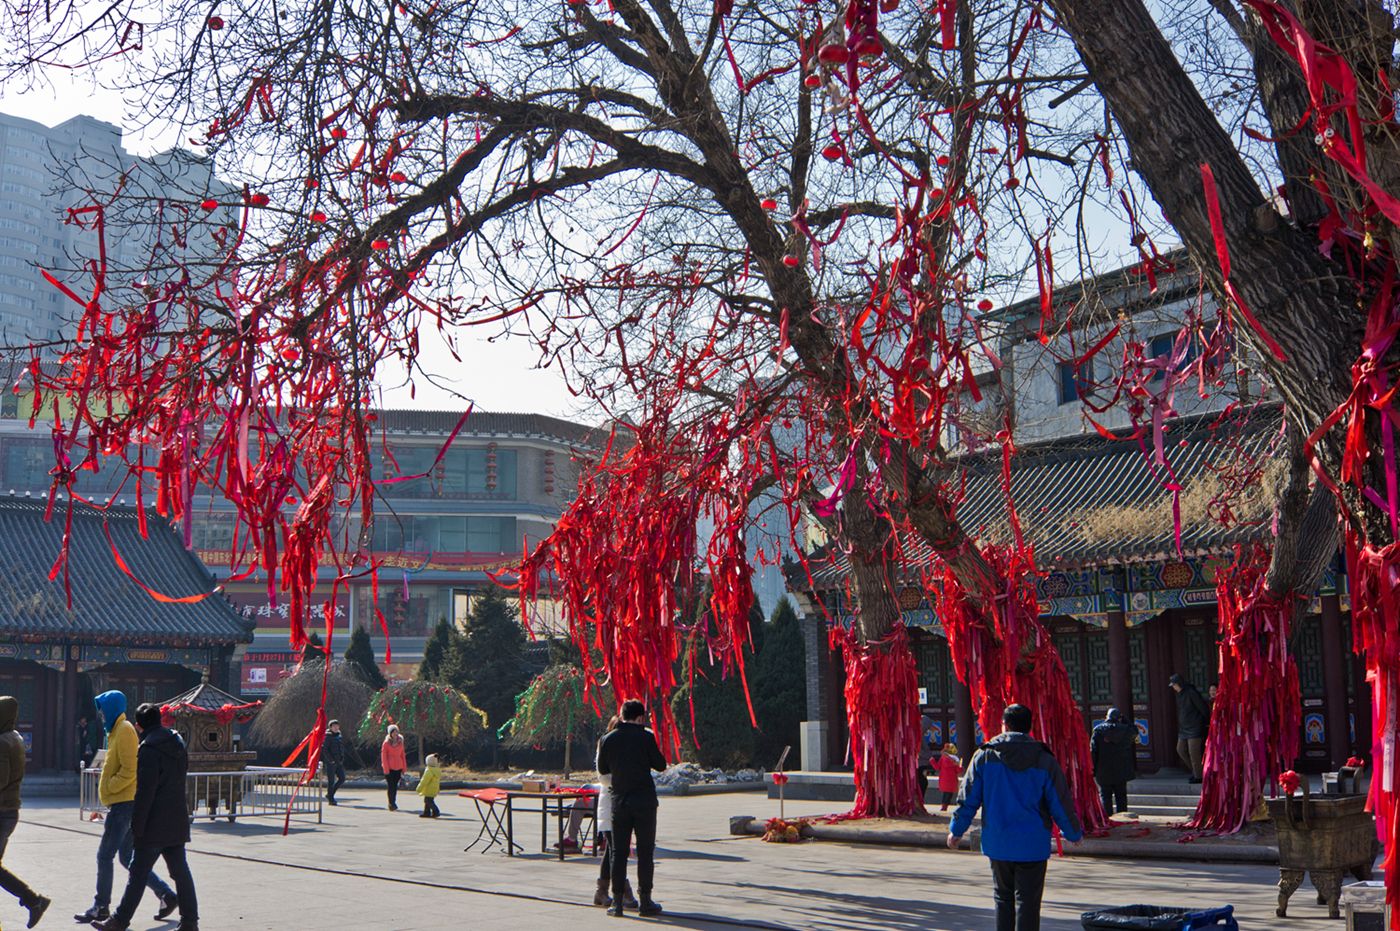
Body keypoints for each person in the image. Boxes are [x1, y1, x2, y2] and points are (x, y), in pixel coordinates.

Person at [947, 704, 1083, 931]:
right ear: (1029, 728)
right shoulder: (1044, 759)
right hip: (1033, 844)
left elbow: (968, 798)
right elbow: (1060, 801)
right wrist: (1073, 833)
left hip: (998, 841)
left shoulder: (985, 756)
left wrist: (956, 830)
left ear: (1005, 725)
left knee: (1003, 899)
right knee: (1029, 904)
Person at [92, 704, 198, 931]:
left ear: (139, 726)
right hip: (177, 819)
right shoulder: (178, 742)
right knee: (181, 873)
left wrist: (137, 826)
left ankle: (119, 921)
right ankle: (190, 921)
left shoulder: (149, 749)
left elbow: (145, 792)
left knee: (137, 874)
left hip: (153, 824)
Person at [75, 691, 178, 925]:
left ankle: (101, 906)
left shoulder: (124, 731)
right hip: (123, 802)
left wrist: (110, 786)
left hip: (124, 803)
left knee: (105, 855)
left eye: (103, 709)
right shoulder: (115, 731)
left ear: (112, 708)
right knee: (127, 858)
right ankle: (166, 895)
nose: (100, 714)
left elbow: (130, 770)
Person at [597, 700, 666, 917]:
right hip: (644, 802)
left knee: (619, 853)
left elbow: (602, 768)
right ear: (640, 718)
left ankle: (617, 903)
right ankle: (645, 901)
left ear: (621, 715)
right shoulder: (646, 736)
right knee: (645, 852)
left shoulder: (607, 739)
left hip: (620, 802)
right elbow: (661, 764)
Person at [0, 696, 51, 928]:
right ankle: (33, 900)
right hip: (9, 809)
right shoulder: (16, 738)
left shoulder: (2, 741)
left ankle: (33, 899)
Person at [1090, 708, 1137, 815]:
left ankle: (1107, 819)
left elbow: (1093, 751)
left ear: (1107, 717)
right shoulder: (1126, 730)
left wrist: (1093, 768)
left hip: (1103, 769)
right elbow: (1135, 731)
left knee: (1105, 796)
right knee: (1121, 796)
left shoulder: (1098, 730)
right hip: (1121, 769)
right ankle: (1123, 818)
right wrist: (1125, 720)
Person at [1169, 674, 1210, 783]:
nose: (1173, 687)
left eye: (1174, 685)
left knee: (1194, 752)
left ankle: (1199, 777)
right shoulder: (1179, 694)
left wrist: (1206, 723)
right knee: (1181, 750)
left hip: (1195, 728)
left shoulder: (1191, 693)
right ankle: (1196, 771)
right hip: (1184, 728)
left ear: (1178, 684)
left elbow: (1203, 708)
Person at [381, 724, 407, 811]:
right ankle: (391, 803)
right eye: (393, 732)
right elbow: (384, 757)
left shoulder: (400, 742)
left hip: (398, 767)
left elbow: (402, 755)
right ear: (390, 733)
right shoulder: (386, 743)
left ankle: (393, 802)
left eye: (396, 731)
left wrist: (404, 767)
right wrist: (386, 769)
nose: (395, 733)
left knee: (395, 786)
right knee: (391, 786)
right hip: (389, 767)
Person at [322, 720, 347, 805]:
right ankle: (331, 799)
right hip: (331, 762)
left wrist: (341, 758)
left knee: (342, 778)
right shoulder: (328, 737)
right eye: (334, 726)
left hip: (339, 761)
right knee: (331, 781)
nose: (336, 727)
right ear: (330, 727)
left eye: (337, 726)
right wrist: (331, 760)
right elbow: (325, 750)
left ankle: (330, 794)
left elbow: (341, 748)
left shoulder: (339, 736)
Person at [936, 743, 962, 811]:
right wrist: (961, 767)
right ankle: (945, 805)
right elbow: (958, 770)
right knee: (949, 793)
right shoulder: (955, 759)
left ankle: (943, 805)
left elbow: (937, 767)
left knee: (945, 793)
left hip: (944, 778)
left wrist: (932, 761)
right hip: (952, 779)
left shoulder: (943, 758)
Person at [417, 753, 442, 818]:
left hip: (429, 788)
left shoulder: (429, 770)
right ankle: (427, 812)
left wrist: (419, 788)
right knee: (428, 801)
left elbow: (424, 780)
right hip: (434, 789)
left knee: (428, 801)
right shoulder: (437, 770)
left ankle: (436, 811)